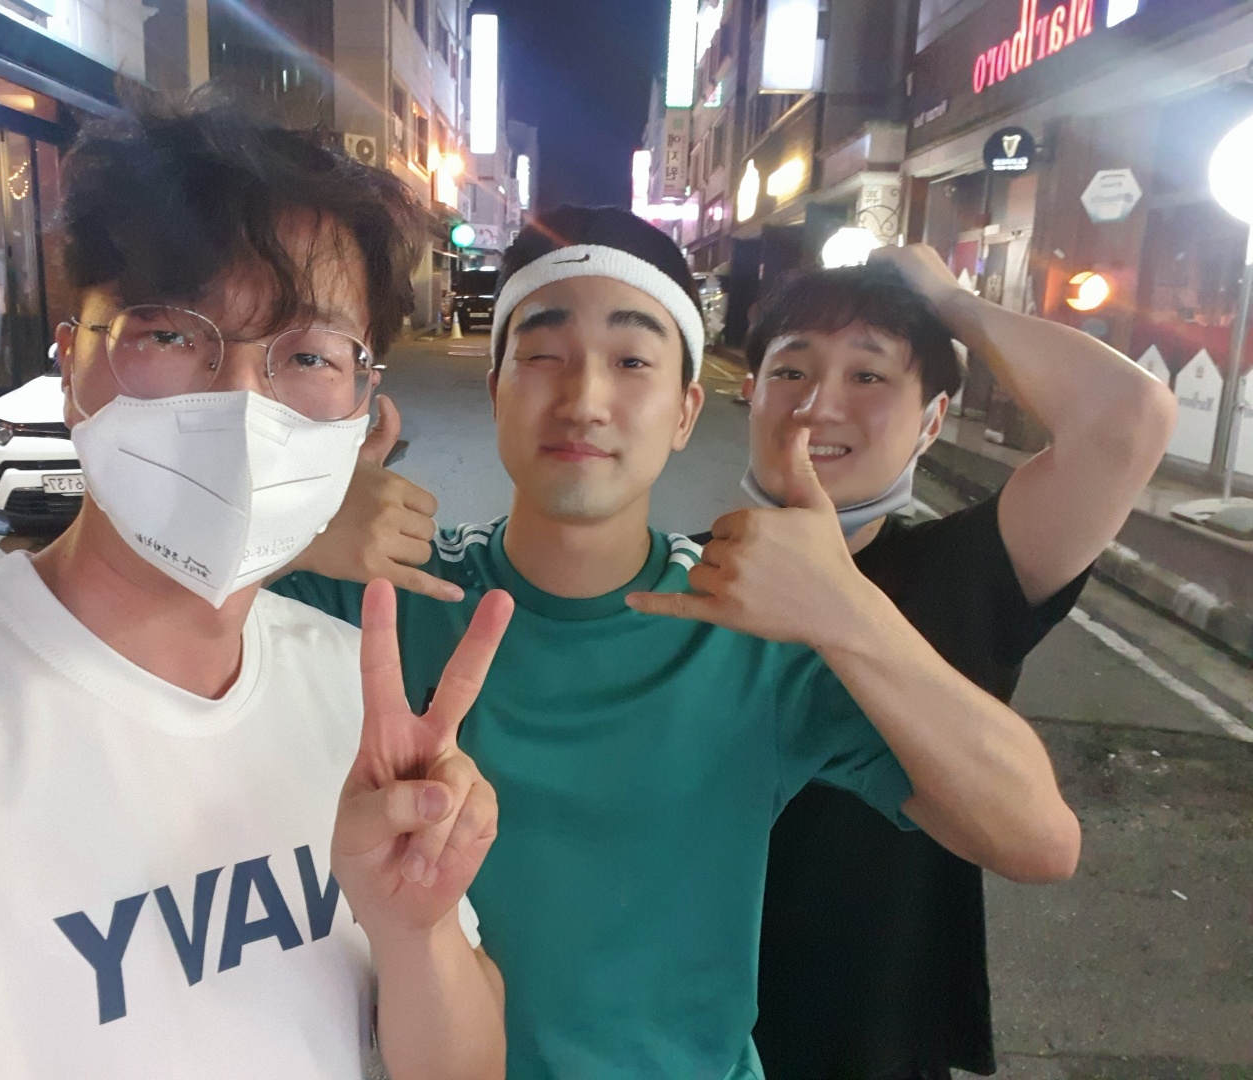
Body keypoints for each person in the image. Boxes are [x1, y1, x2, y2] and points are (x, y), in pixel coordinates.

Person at [275, 206, 1082, 1080]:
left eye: (632, 361)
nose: (585, 401)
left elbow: (1038, 839)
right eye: (544, 354)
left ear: (686, 411)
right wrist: (283, 532)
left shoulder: (752, 632)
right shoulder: (382, 593)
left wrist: (850, 611)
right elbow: (159, 622)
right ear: (497, 388)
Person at [0, 92, 509, 1080]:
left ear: (365, 415)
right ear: (72, 365)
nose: (240, 401)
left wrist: (415, 930)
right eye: (173, 334)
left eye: (308, 355)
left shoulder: (349, 704)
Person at [722, 248, 1177, 1079]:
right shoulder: (678, 580)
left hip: (872, 1039)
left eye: (868, 376)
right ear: (749, 395)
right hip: (675, 1030)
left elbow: (1130, 415)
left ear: (932, 423)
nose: (817, 406)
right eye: (791, 371)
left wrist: (945, 297)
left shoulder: (964, 569)